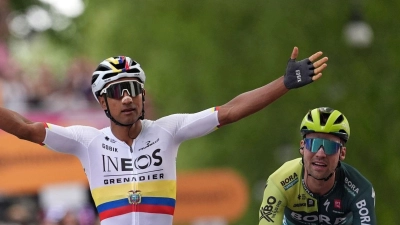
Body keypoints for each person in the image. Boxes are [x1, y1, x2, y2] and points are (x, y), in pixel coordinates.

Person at [0, 47, 328, 225]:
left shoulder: (168, 130)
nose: (127, 98)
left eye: (133, 89)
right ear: (102, 102)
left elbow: (229, 111)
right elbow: (25, 129)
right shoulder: (88, 141)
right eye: (117, 92)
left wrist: (283, 84)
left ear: (143, 96)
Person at [258, 107, 376, 225]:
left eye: (330, 146)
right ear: (302, 147)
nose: (320, 154)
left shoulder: (360, 189)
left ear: (342, 153)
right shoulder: (279, 182)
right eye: (313, 144)